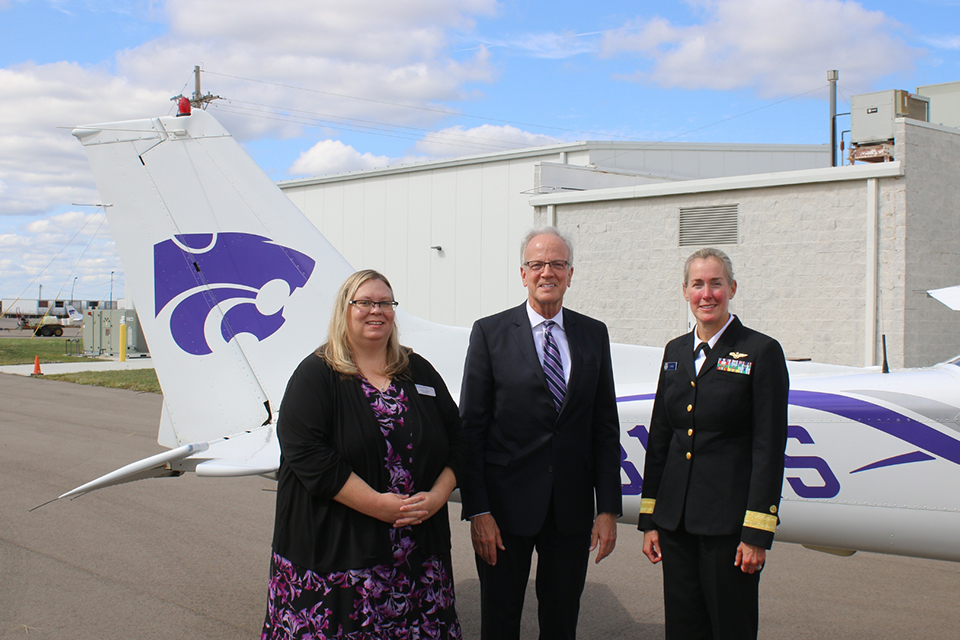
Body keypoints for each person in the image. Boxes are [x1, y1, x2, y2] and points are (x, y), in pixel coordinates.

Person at [261, 269, 466, 640]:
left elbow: (459, 439)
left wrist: (438, 496)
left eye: (385, 303)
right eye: (365, 302)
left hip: (416, 555)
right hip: (339, 556)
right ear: (345, 310)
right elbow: (307, 455)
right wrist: (378, 505)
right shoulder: (316, 375)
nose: (377, 311)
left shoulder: (417, 370)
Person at [459, 227, 622, 640]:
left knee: (561, 620)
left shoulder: (593, 334)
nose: (546, 272)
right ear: (523, 273)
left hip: (570, 511)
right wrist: (478, 511)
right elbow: (471, 430)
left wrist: (607, 510)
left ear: (570, 274)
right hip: (504, 511)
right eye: (537, 264)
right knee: (500, 620)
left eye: (557, 264)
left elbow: (604, 427)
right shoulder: (489, 333)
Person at [639, 248, 789, 640]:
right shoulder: (674, 352)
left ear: (732, 288)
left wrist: (757, 532)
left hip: (728, 529)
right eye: (697, 284)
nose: (707, 294)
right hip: (676, 524)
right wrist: (650, 519)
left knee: (729, 628)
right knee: (683, 629)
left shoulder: (761, 351)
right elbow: (662, 438)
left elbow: (768, 448)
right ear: (685, 291)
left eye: (716, 284)